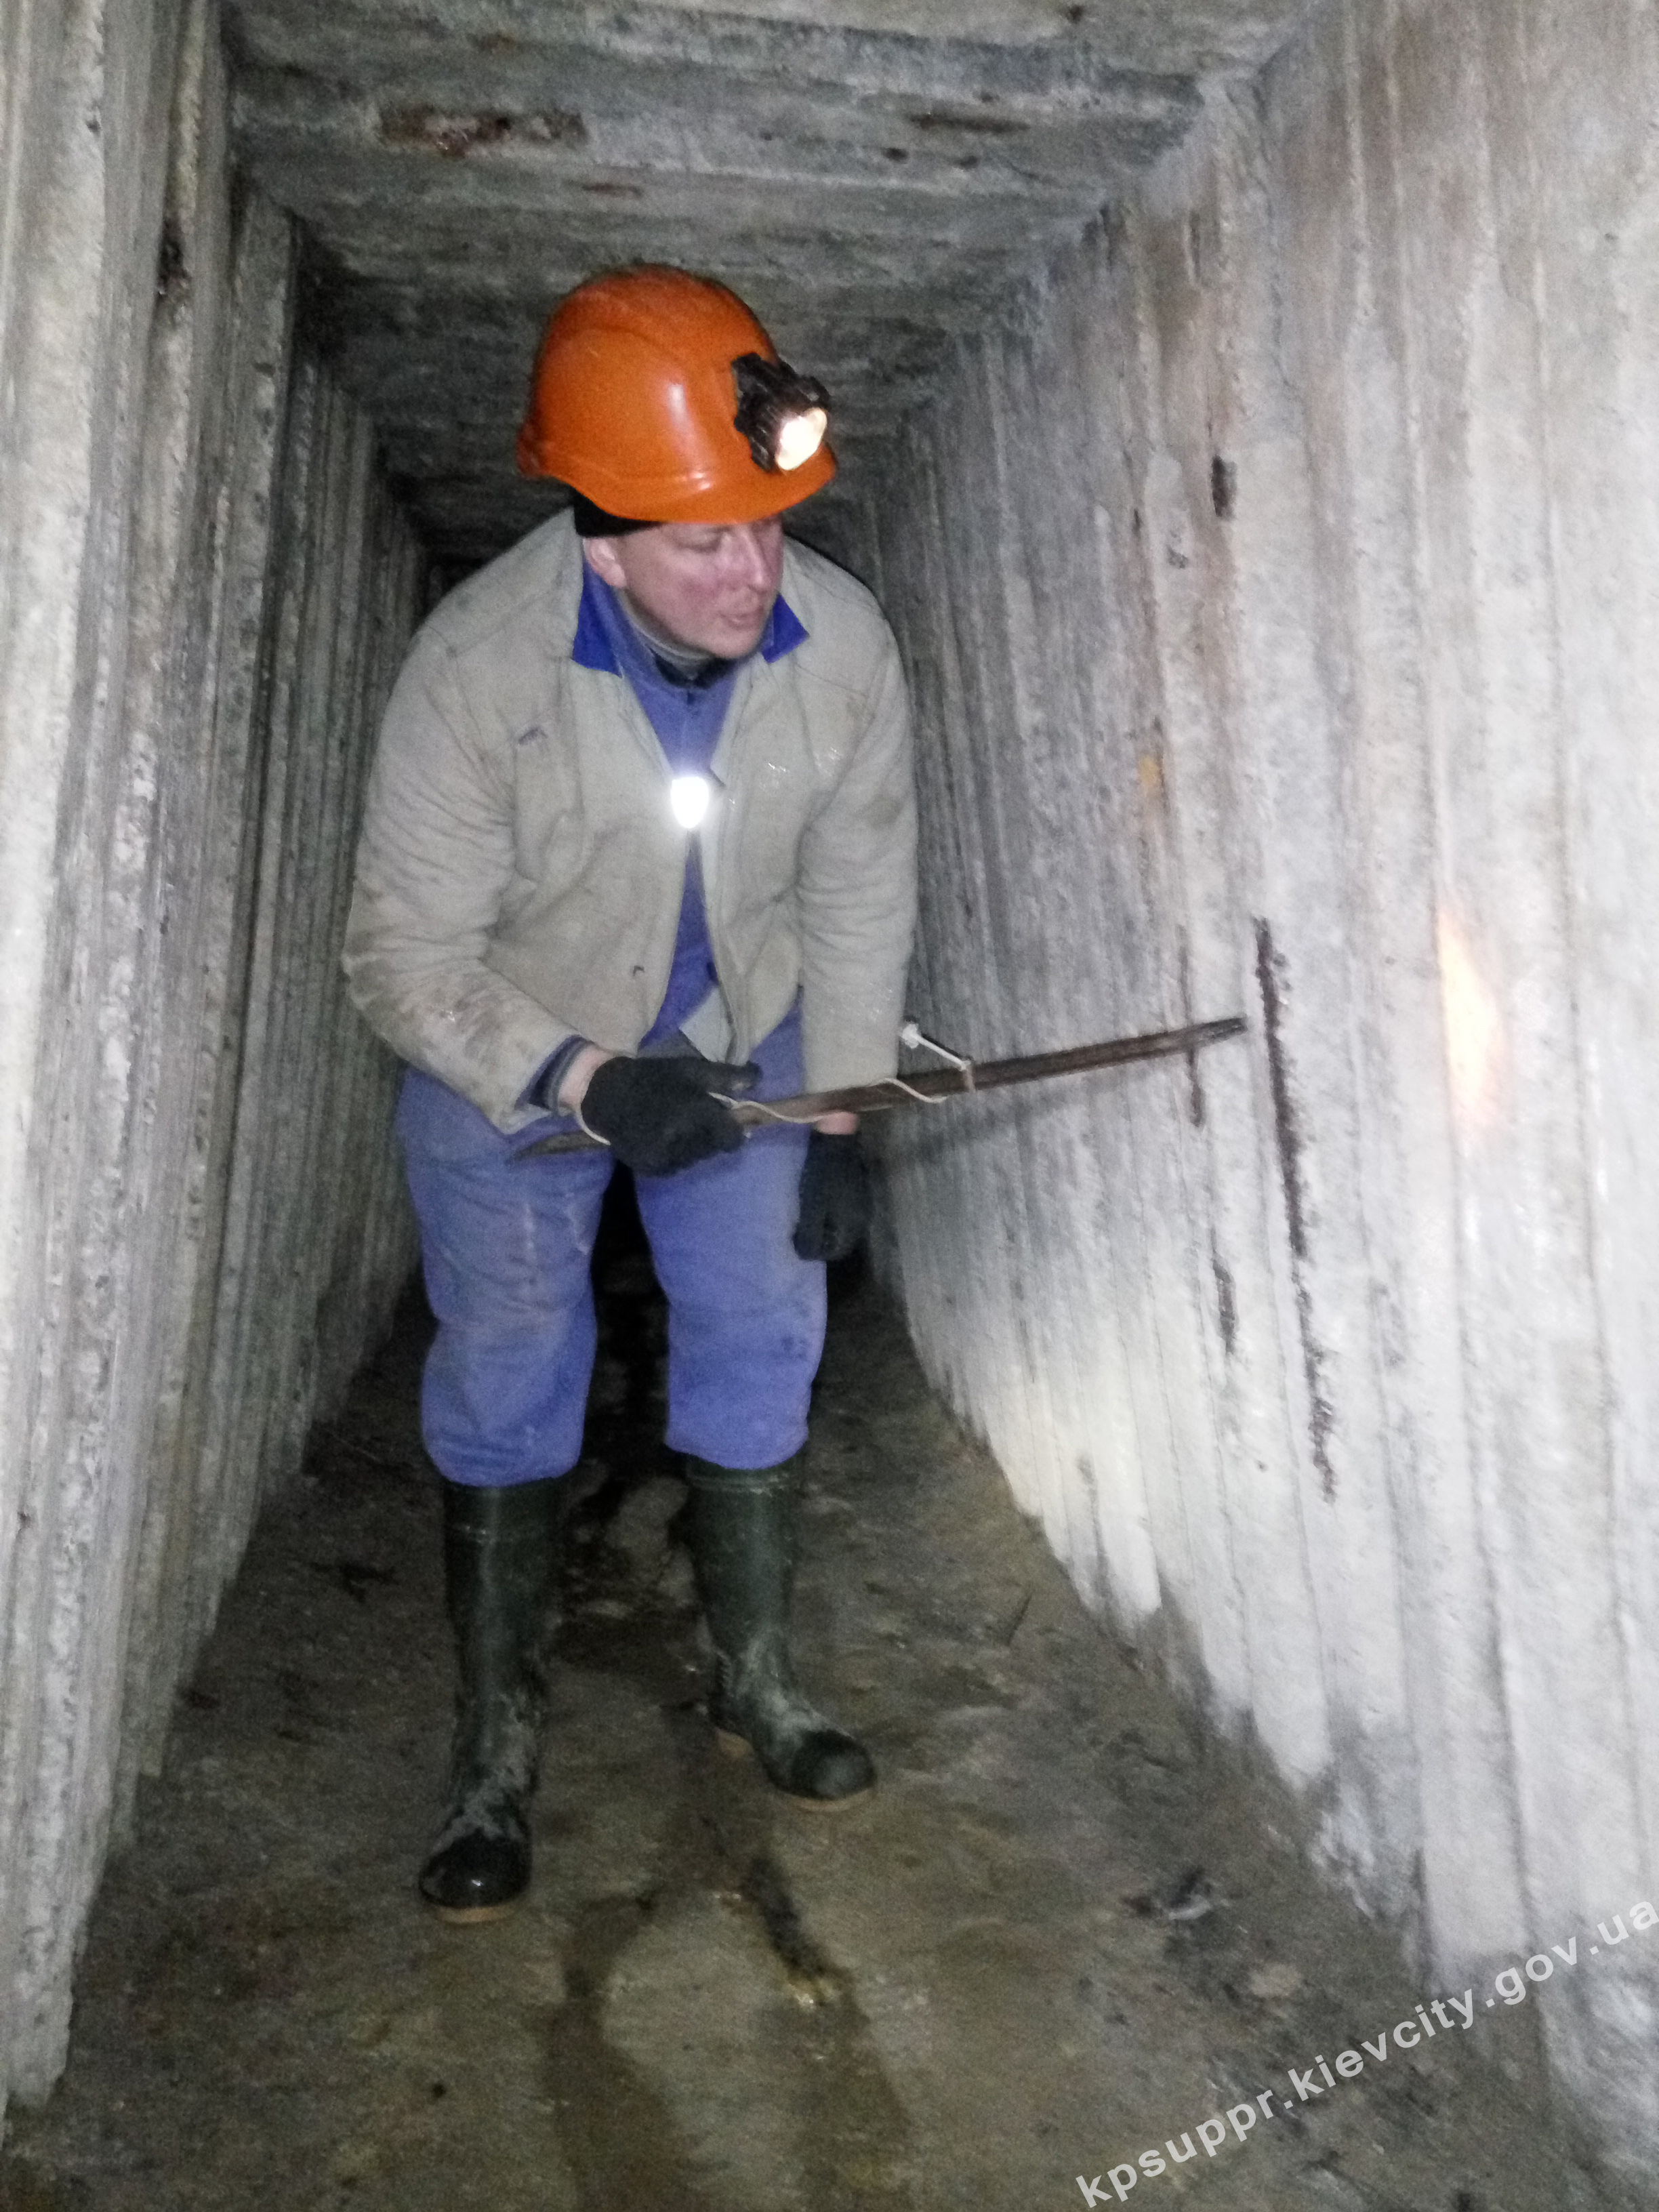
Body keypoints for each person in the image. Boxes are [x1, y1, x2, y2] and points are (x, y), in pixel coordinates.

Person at [342, 265, 918, 1922]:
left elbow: (858, 889)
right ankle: (493, 1751)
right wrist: (583, 1079)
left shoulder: (842, 645)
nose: (754, 574)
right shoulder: (478, 671)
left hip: (747, 1027)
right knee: (512, 1357)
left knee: (763, 1326)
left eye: (768, 529)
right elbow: (400, 956)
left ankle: (759, 1678)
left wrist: (842, 1112)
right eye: (703, 543)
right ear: (604, 544)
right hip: (513, 1039)